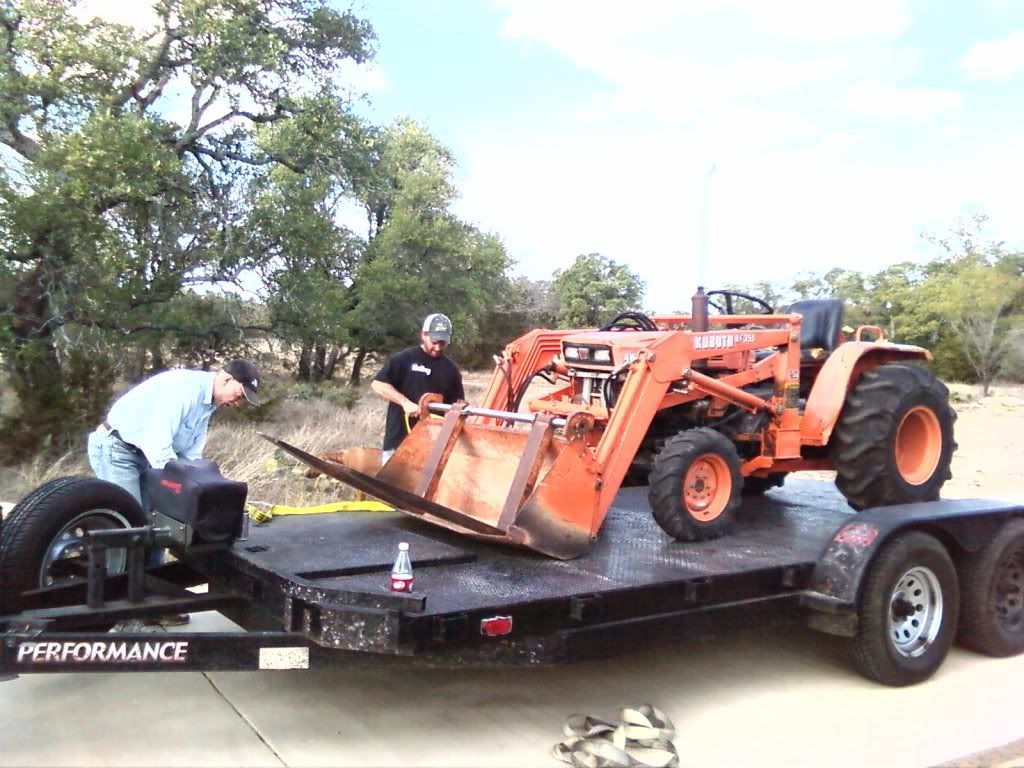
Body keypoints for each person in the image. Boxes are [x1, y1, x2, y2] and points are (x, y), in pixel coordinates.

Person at [86, 359, 260, 625]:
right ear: (226, 380)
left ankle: (152, 603)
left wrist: (198, 487)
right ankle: (119, 612)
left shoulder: (208, 405)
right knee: (130, 531)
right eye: (239, 395)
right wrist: (180, 487)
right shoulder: (182, 391)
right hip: (119, 451)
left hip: (147, 458)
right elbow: (159, 448)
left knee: (159, 527)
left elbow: (190, 455)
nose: (238, 403)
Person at [370, 314, 464, 463]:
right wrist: (405, 402)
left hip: (431, 450)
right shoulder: (404, 359)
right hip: (398, 444)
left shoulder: (451, 370)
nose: (438, 347)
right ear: (423, 335)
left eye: (443, 343)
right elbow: (378, 384)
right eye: (434, 341)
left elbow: (455, 407)